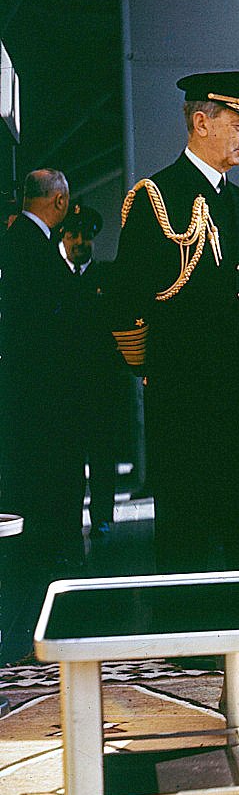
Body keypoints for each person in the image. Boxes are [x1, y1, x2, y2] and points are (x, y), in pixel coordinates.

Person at [108, 70, 239, 573]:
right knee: (190, 535)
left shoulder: (236, 202)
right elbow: (126, 301)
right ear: (201, 122)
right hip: (187, 399)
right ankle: (189, 649)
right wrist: (155, 368)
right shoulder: (156, 196)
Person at [0, 169, 82, 573]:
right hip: (47, 390)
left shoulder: (16, 242)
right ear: (59, 202)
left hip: (24, 387)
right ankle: (54, 552)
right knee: (52, 473)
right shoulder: (35, 247)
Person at [59, 201, 128, 540]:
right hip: (66, 386)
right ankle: (70, 518)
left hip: (102, 383)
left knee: (102, 454)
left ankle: (102, 515)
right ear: (63, 239)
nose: (79, 243)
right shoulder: (54, 279)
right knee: (69, 456)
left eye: (85, 237)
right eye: (72, 236)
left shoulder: (107, 278)